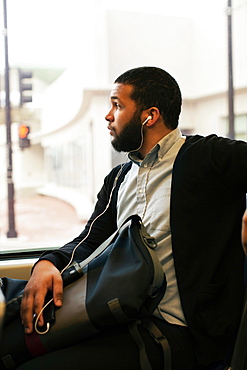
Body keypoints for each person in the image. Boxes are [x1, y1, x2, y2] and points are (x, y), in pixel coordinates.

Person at [2, 66, 247, 369]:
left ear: (150, 115)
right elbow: (90, 239)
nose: (108, 115)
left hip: (182, 332)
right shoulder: (118, 179)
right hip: (122, 315)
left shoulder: (208, 157)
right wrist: (47, 263)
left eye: (117, 105)